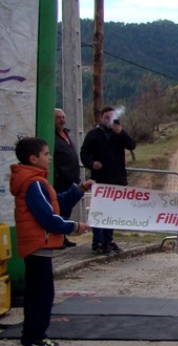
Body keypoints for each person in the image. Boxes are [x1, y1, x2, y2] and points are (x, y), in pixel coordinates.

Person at [10, 137, 92, 346]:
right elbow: (47, 218)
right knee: (41, 295)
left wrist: (80, 189)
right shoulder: (33, 183)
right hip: (37, 246)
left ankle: (34, 335)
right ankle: (34, 337)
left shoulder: (38, 181)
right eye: (46, 154)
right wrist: (74, 227)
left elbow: (59, 203)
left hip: (40, 246)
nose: (50, 157)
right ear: (33, 158)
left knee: (41, 293)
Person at [80, 107, 136, 255]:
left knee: (112, 212)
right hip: (100, 179)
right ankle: (98, 241)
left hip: (117, 179)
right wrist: (92, 163)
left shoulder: (118, 134)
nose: (109, 121)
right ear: (101, 118)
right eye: (106, 118)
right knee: (99, 211)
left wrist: (121, 132)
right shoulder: (93, 135)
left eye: (112, 118)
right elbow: (84, 154)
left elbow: (132, 145)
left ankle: (109, 240)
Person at [54, 108, 80, 248]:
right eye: (59, 117)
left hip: (71, 178)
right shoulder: (51, 136)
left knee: (67, 208)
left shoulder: (65, 134)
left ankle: (63, 237)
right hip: (60, 179)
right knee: (59, 209)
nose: (62, 120)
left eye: (63, 117)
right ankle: (57, 238)